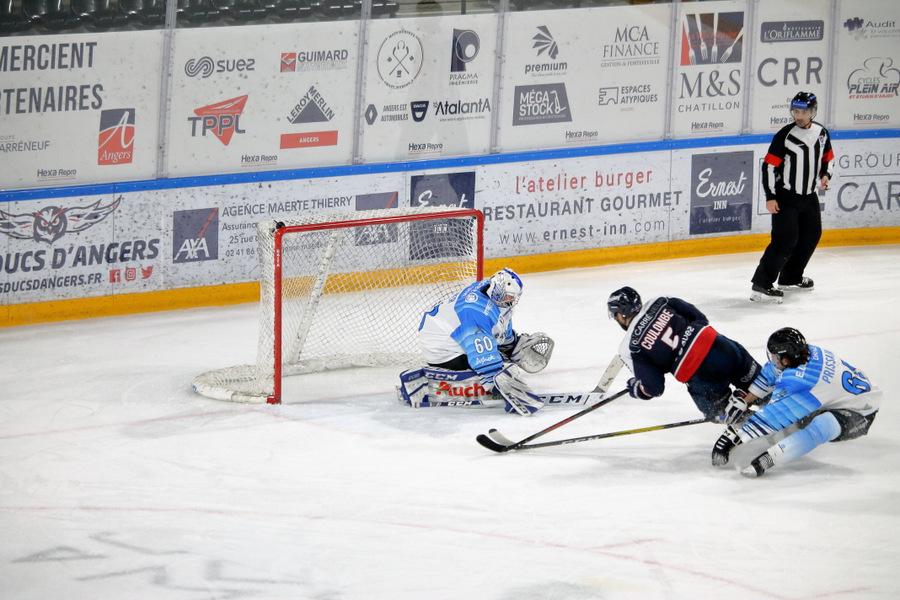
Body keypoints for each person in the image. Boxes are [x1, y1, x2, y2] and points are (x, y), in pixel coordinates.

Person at [711, 327, 881, 477]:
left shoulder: (801, 380)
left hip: (861, 413)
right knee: (798, 418)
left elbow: (773, 417)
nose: (772, 360)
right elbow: (772, 373)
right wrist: (746, 400)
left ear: (786, 358)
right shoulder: (807, 352)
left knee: (821, 427)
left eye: (775, 357)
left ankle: (770, 459)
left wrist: (733, 435)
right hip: (847, 395)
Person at [397, 268, 555, 416]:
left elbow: (500, 320)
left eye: (513, 297)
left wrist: (511, 345)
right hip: (442, 348)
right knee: (499, 367)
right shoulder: (475, 310)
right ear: (498, 291)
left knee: (500, 359)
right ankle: (445, 382)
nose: (510, 301)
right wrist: (500, 383)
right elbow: (482, 356)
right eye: (508, 297)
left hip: (452, 334)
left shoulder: (492, 291)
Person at [607, 286, 761, 421]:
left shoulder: (629, 347)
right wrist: (688, 338)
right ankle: (771, 403)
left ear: (621, 314)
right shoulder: (660, 300)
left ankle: (756, 427)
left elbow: (654, 388)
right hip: (722, 346)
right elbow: (700, 318)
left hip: (700, 373)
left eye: (615, 315)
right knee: (761, 385)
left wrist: (638, 388)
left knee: (721, 413)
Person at [750, 91, 835, 303]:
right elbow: (769, 167)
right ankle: (761, 284)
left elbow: (828, 158)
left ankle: (790, 277)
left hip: (809, 197)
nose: (799, 115)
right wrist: (771, 196)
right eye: (796, 111)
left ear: (813, 112)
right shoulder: (785, 135)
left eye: (803, 112)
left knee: (811, 236)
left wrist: (826, 175)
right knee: (784, 240)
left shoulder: (822, 133)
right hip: (786, 197)